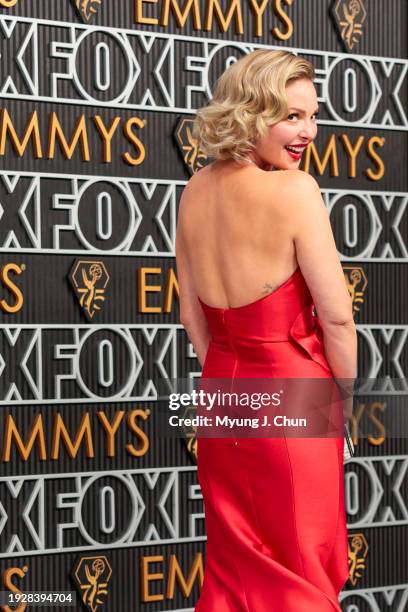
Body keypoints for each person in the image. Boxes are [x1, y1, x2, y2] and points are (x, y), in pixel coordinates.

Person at [175, 49, 357, 611]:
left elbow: (192, 315)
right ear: (251, 114)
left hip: (222, 396)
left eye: (313, 115)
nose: (309, 132)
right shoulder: (296, 191)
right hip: (297, 395)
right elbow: (337, 318)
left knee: (236, 569)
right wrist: (342, 402)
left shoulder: (195, 190)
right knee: (301, 566)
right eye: (292, 117)